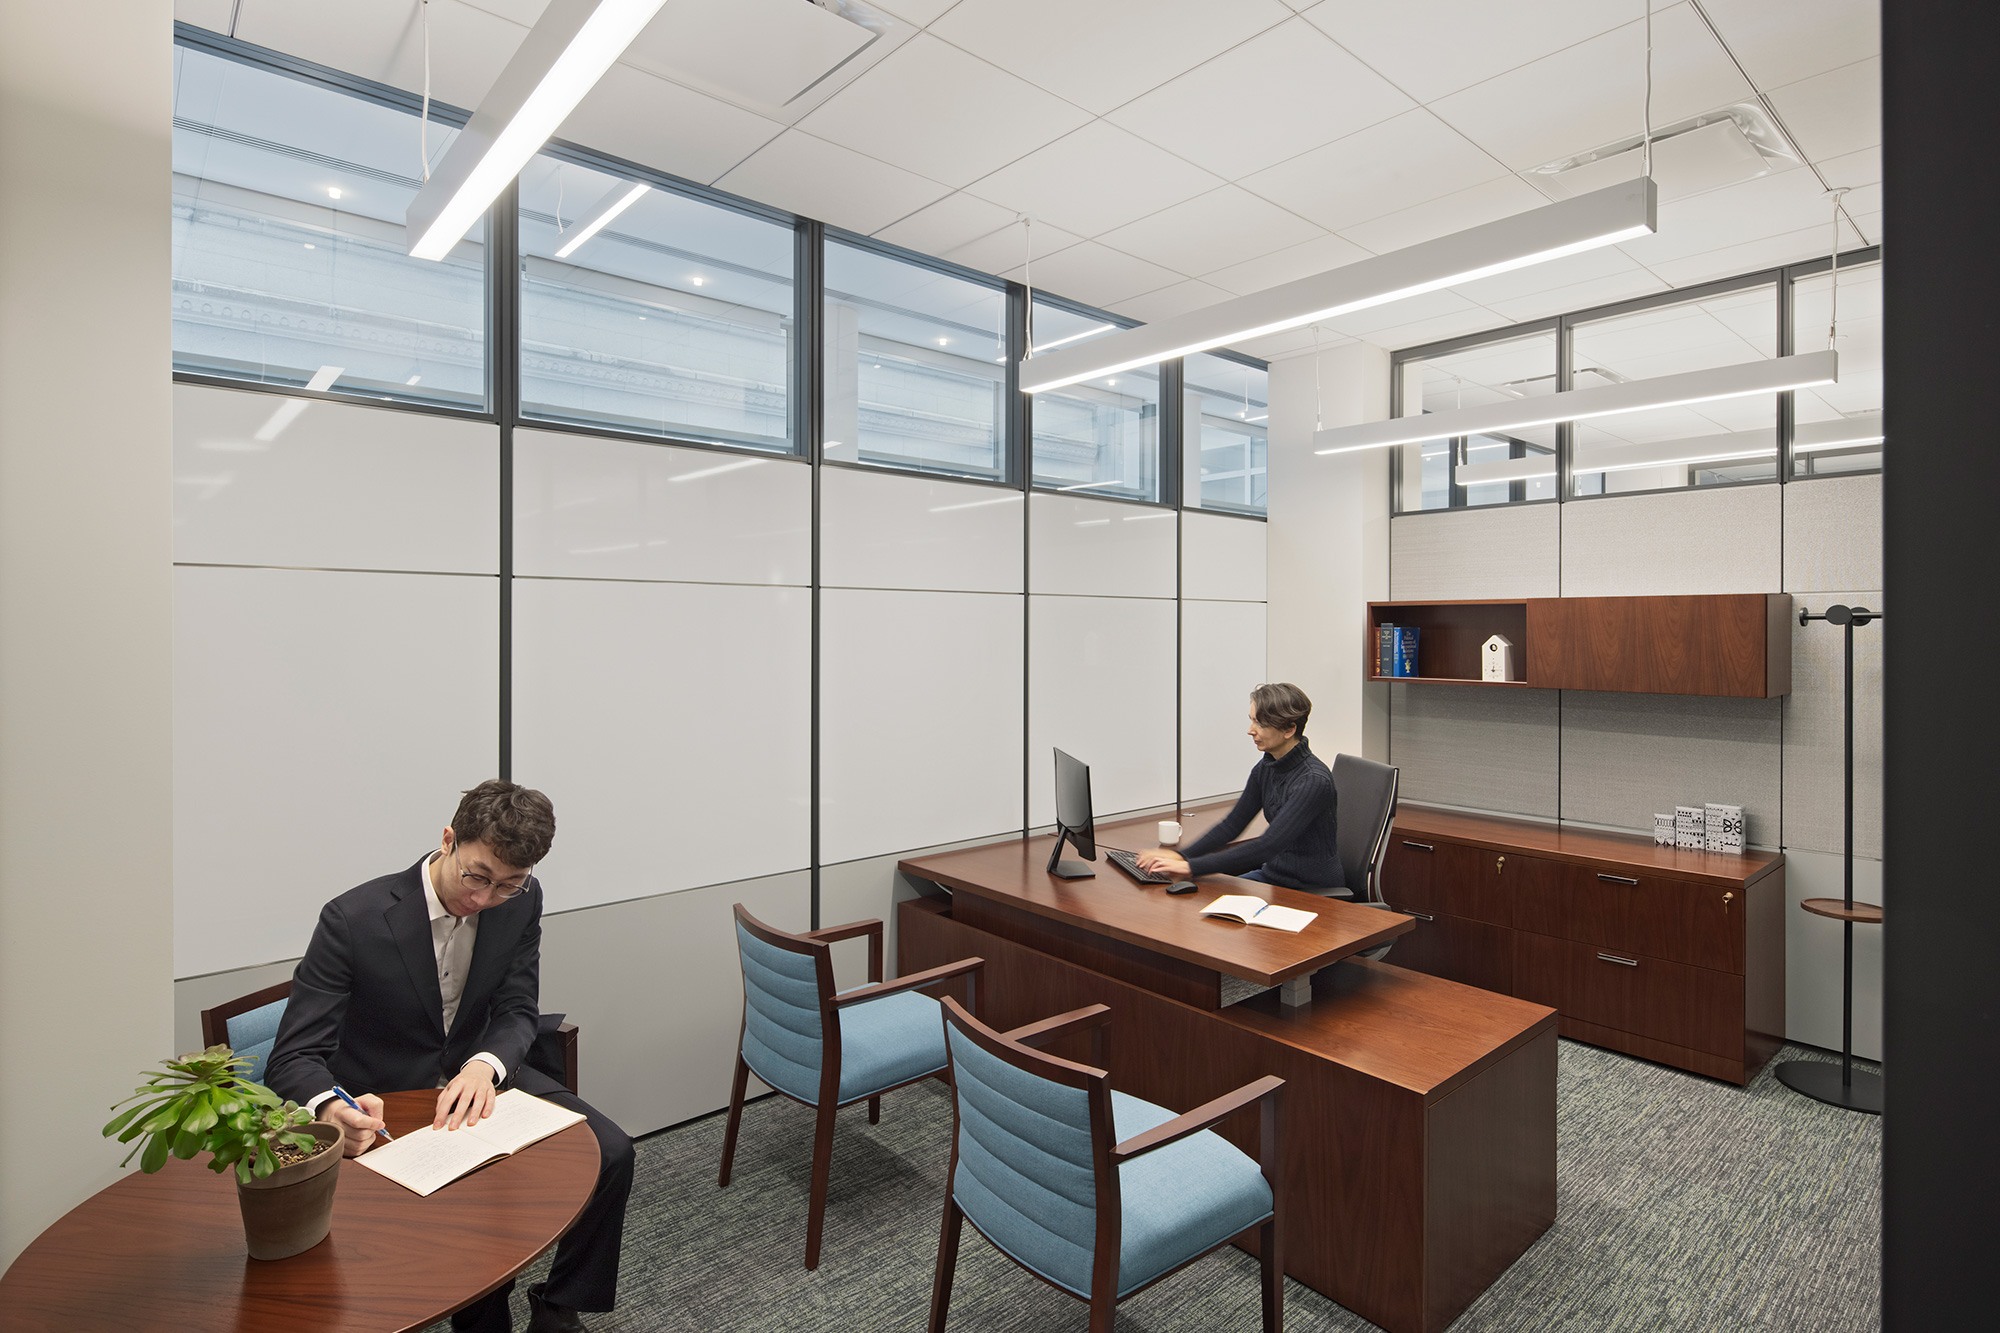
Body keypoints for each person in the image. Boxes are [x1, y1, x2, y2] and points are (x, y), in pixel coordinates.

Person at [265, 780, 632, 1333]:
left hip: (482, 1074)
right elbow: (294, 1055)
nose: (485, 898)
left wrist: (485, 1065)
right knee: (476, 1225)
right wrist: (327, 1109)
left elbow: (516, 1008)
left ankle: (559, 1305)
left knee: (613, 1152)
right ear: (448, 841)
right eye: (477, 876)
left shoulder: (522, 900)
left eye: (508, 885)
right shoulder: (353, 919)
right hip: (391, 1098)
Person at [1136, 682, 1347, 896]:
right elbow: (1232, 825)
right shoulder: (1266, 767)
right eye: (1252, 720)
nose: (1250, 730)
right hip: (1273, 877)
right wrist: (1182, 857)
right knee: (1197, 899)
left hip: (1312, 889)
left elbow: (1268, 845)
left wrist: (1191, 867)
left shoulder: (1313, 781)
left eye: (1260, 723)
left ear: (1289, 729)